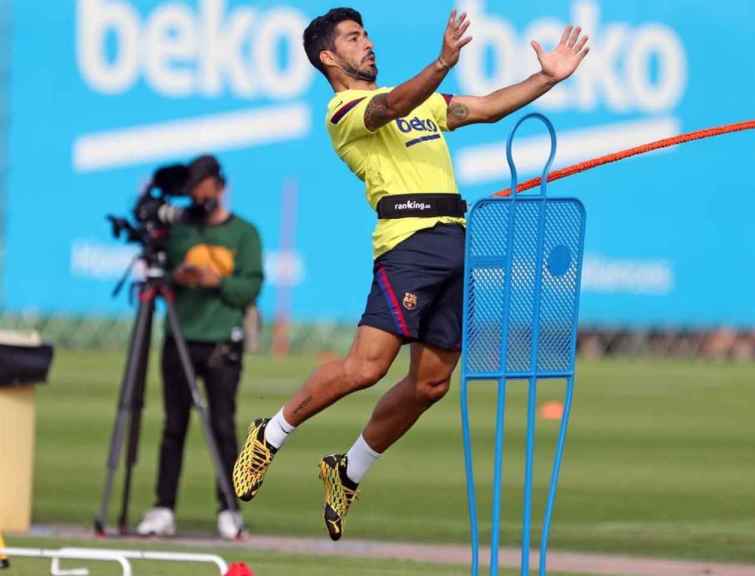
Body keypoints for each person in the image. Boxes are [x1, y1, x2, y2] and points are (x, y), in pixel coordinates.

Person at [232, 7, 589, 540]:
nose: (368, 44)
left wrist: (547, 78)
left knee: (432, 384)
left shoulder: (420, 101)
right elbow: (389, 106)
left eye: (368, 35)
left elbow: (487, 109)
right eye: (354, 38)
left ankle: (347, 471)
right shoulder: (345, 110)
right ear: (329, 57)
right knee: (366, 367)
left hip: (457, 239)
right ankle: (272, 433)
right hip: (408, 245)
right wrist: (444, 62)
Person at [137, 155, 265, 540]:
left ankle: (229, 508)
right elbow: (159, 279)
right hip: (180, 338)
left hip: (222, 343)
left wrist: (215, 282)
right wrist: (178, 276)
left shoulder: (244, 233)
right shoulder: (178, 232)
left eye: (203, 185)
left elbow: (250, 287)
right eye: (192, 187)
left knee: (223, 426)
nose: (197, 194)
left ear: (219, 186)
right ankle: (163, 507)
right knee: (173, 426)